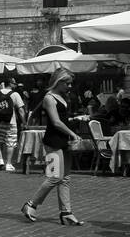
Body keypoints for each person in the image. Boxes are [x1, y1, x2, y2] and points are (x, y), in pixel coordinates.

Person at [21, 69, 85, 226]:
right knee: (55, 177)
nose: (70, 86)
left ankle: (66, 212)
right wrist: (72, 133)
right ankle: (30, 205)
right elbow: (55, 122)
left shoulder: (63, 97)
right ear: (59, 81)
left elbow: (62, 119)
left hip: (64, 140)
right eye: (67, 83)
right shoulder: (49, 98)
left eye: (71, 83)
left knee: (65, 179)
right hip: (53, 141)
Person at [0, 78, 26, 172]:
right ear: (10, 84)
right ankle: (9, 164)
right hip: (11, 122)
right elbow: (21, 110)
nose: (16, 85)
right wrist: (24, 122)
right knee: (11, 143)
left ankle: (0, 160)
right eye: (14, 83)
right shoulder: (15, 94)